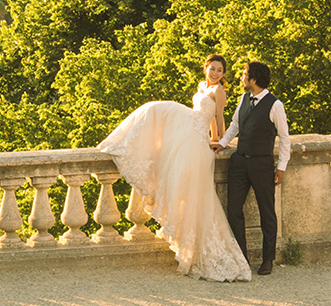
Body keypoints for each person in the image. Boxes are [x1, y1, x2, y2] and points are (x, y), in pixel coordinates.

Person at [97, 56, 251, 282]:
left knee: (192, 195)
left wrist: (218, 140)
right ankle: (121, 142)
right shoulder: (203, 87)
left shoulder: (219, 91)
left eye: (219, 70)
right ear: (206, 68)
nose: (215, 73)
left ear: (223, 74)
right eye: (212, 69)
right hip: (189, 134)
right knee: (155, 110)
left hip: (197, 141)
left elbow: (218, 118)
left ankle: (198, 251)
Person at [211, 61, 290, 276]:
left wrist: (281, 167)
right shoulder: (244, 98)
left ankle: (267, 260)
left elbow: (284, 138)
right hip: (239, 162)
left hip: (262, 165)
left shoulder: (275, 105)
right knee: (234, 210)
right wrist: (223, 142)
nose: (241, 77)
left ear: (253, 79)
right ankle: (242, 258)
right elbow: (236, 124)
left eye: (244, 74)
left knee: (267, 213)